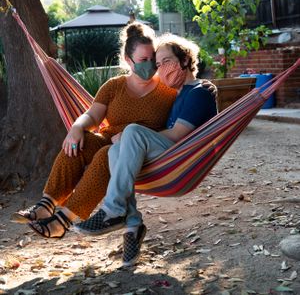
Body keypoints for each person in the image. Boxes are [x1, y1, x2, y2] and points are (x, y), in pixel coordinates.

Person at [12, 22, 177, 238]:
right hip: (109, 139)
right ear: (128, 60)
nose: (149, 65)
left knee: (104, 155)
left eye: (151, 59)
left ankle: (63, 221)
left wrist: (129, 137)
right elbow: (92, 116)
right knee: (79, 144)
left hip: (139, 149)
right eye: (142, 60)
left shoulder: (167, 90)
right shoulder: (113, 86)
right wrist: (77, 127)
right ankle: (46, 204)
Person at [74, 34, 217, 266]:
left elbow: (178, 134)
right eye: (158, 65)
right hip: (168, 155)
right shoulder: (180, 93)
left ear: (184, 60)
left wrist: (132, 136)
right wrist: (128, 140)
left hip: (182, 156)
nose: (161, 69)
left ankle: (113, 210)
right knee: (113, 152)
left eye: (167, 61)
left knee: (131, 132)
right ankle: (132, 226)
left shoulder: (199, 91)